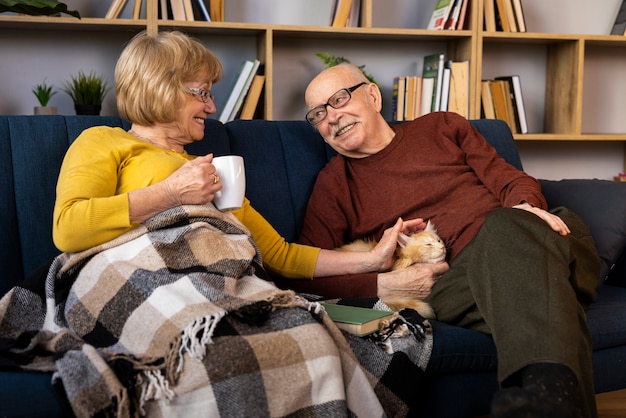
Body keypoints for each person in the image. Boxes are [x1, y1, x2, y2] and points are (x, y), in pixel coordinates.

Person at [299, 62, 601, 418]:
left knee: (506, 226)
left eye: (339, 99)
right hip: (457, 283)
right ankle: (549, 399)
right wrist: (383, 283)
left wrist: (525, 209)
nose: (332, 117)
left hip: (541, 237)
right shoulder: (334, 184)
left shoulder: (441, 127)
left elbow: (510, 181)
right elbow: (304, 274)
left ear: (373, 96)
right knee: (530, 285)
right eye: (318, 114)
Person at [52, 30, 416, 280]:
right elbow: (68, 229)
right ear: (159, 88)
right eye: (201, 93)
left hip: (220, 284)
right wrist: (170, 194)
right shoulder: (104, 140)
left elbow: (281, 255)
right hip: (147, 279)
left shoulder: (210, 170)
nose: (212, 107)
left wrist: (371, 260)